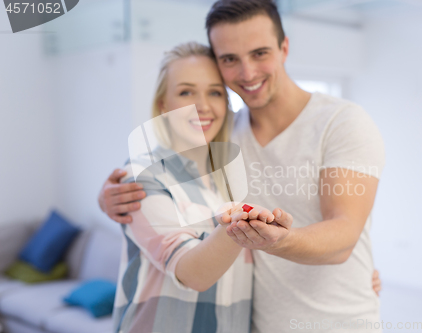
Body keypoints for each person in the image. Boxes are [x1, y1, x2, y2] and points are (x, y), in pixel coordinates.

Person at [100, 1, 385, 332]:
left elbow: (344, 234)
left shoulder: (343, 122)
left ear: (284, 48)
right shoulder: (222, 134)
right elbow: (164, 177)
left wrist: (274, 239)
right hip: (256, 323)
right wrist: (108, 197)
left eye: (260, 53)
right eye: (230, 59)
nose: (247, 73)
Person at [111, 42, 272, 333]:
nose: (204, 106)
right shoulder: (141, 175)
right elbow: (192, 273)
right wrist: (239, 224)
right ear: (163, 104)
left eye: (215, 92)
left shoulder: (229, 178)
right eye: (186, 92)